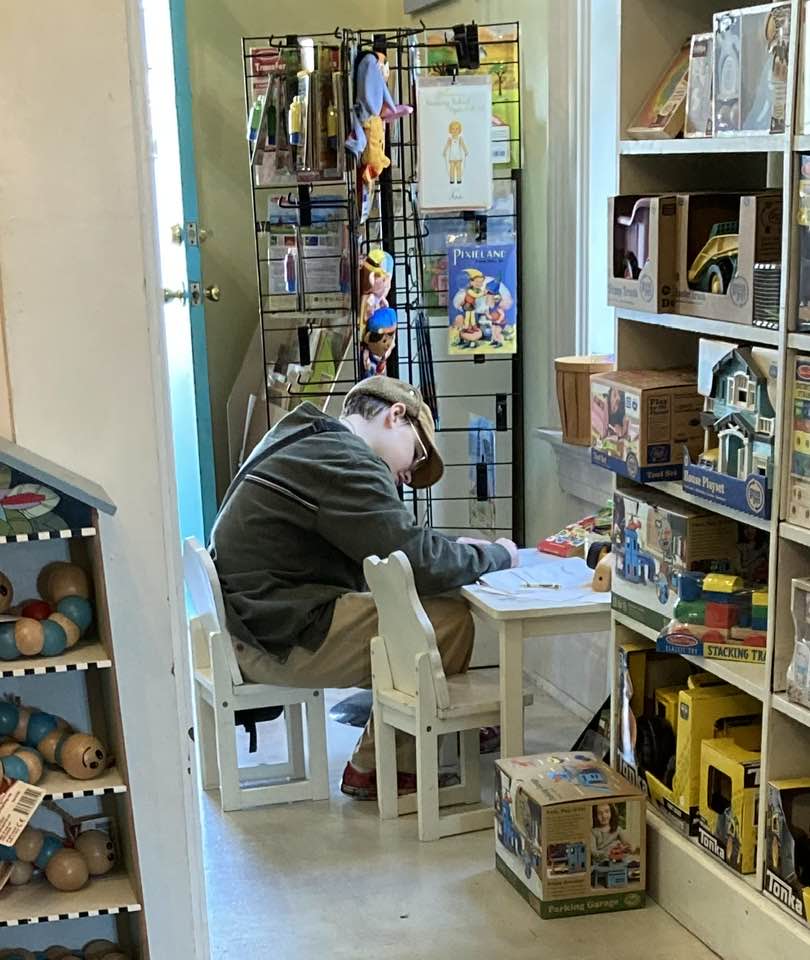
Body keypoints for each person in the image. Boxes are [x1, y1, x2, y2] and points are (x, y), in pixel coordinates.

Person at [209, 376, 519, 800]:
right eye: (416, 455)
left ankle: (399, 747)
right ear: (396, 416)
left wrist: (451, 549)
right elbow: (414, 559)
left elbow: (395, 543)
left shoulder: (308, 438)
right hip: (276, 639)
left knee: (422, 607)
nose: (408, 475)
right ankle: (384, 767)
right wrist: (500, 556)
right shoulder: (346, 461)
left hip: (250, 624)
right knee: (446, 620)